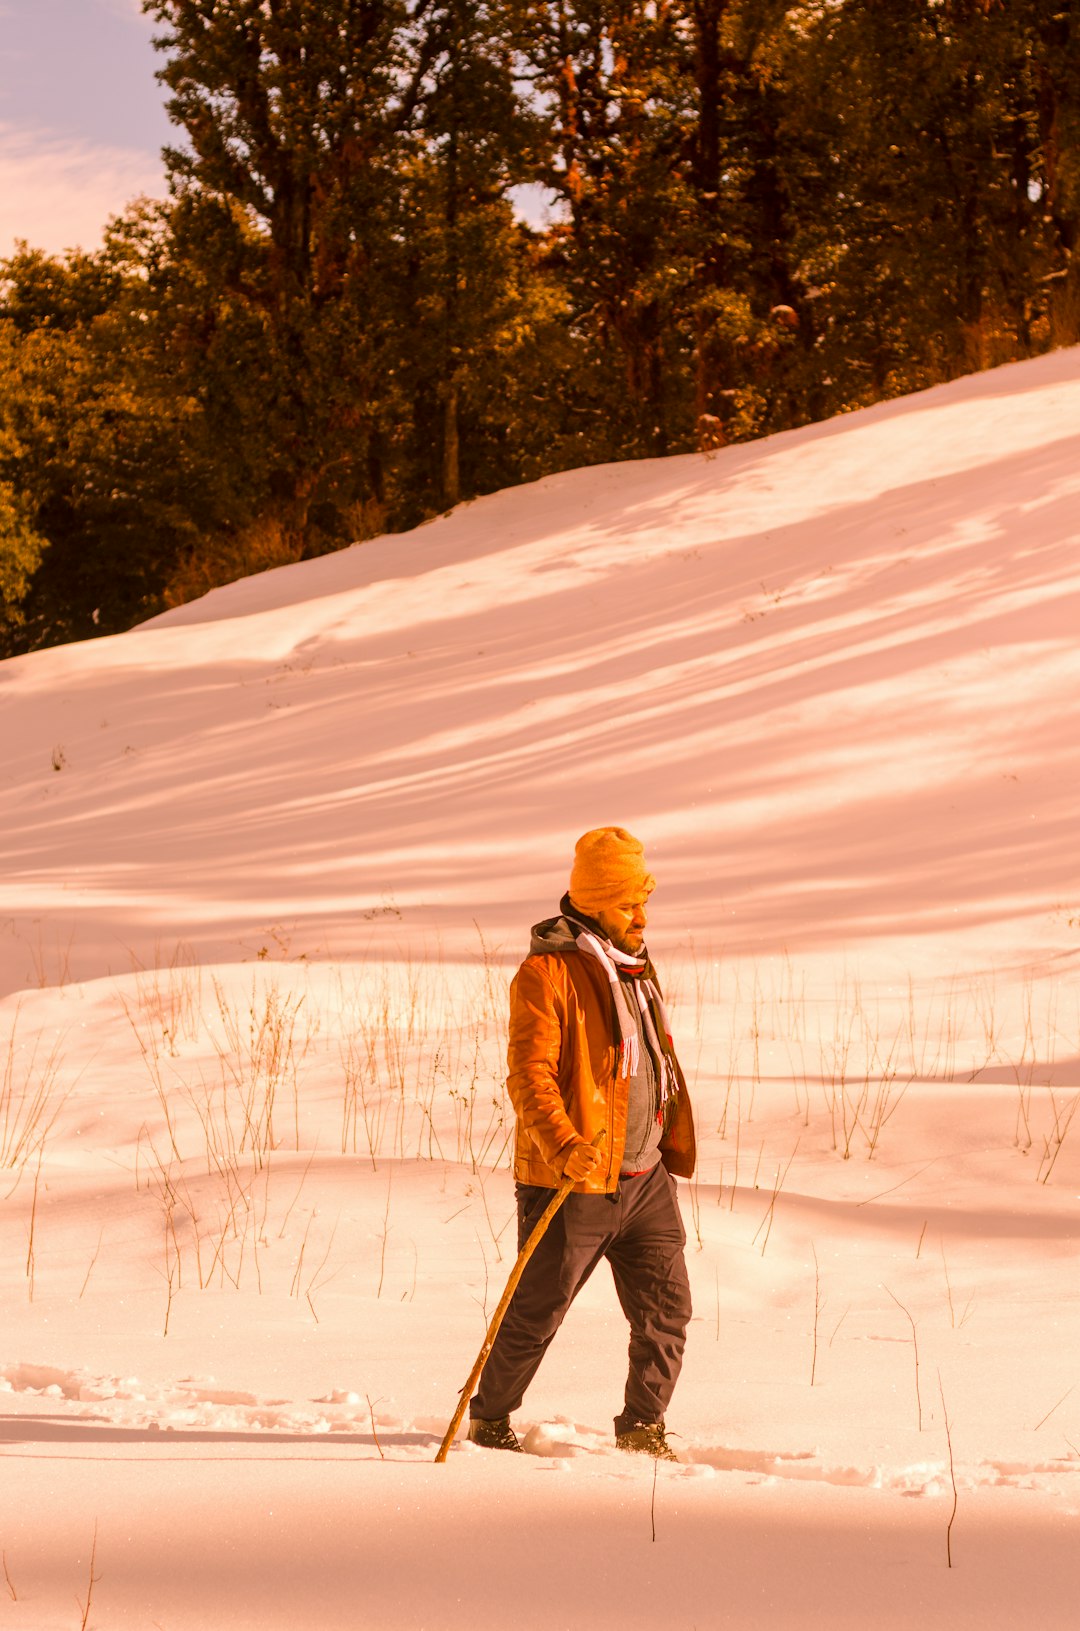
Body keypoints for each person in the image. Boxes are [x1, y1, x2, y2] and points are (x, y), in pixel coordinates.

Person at [468, 827, 696, 1459]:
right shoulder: (546, 976)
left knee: (666, 1311)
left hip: (644, 1176)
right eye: (628, 904)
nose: (642, 916)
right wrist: (565, 1143)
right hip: (572, 1180)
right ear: (593, 903)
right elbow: (529, 1075)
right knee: (538, 1313)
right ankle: (489, 1422)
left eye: (644, 901)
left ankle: (643, 1428)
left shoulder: (634, 968)